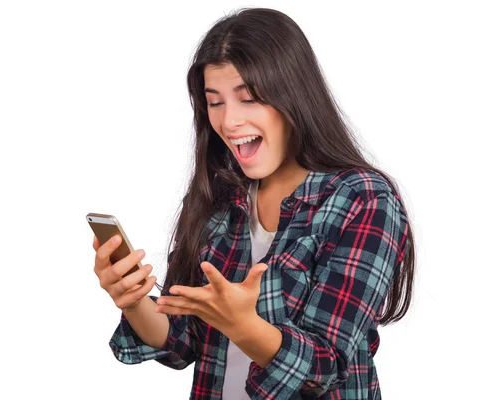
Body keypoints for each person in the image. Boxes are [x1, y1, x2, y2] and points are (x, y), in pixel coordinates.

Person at [92, 7, 415, 400]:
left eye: (248, 98)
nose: (229, 122)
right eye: (215, 102)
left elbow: (324, 368)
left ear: (294, 96)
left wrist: (243, 324)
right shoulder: (221, 197)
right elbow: (182, 340)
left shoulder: (362, 198)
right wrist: (133, 299)